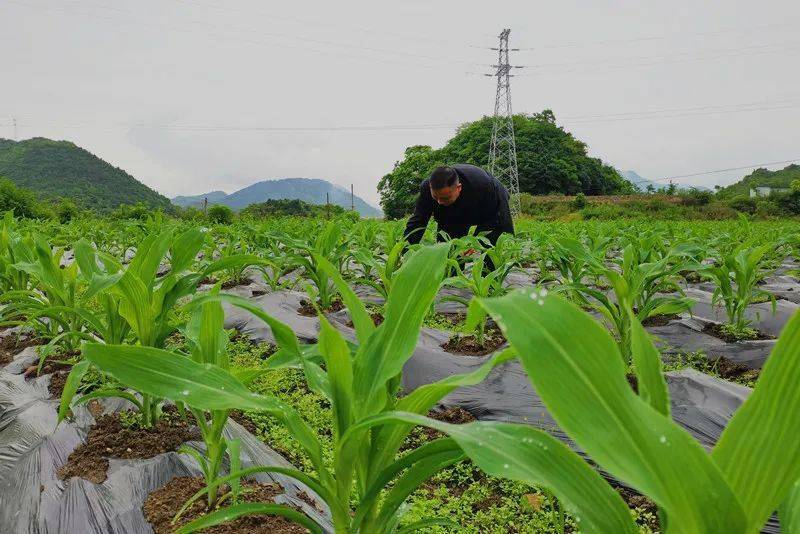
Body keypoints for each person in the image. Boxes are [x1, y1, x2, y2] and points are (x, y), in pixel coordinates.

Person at [404, 164, 514, 246]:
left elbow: (491, 221)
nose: (439, 202)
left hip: (491, 205)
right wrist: (403, 250)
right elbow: (418, 221)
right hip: (455, 210)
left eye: (444, 198)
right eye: (435, 197)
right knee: (448, 248)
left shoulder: (482, 186)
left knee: (488, 247)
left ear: (458, 188)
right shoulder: (427, 188)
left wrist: (474, 243)